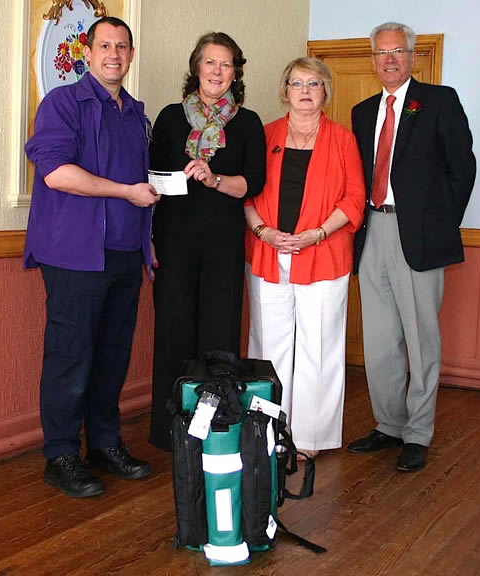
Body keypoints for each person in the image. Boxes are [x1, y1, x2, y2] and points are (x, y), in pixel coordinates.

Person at [24, 17, 159, 498]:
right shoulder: (62, 103)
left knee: (111, 357)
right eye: (105, 46)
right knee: (70, 357)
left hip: (125, 255)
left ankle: (103, 444)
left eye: (122, 47)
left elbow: (146, 187)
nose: (114, 55)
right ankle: (60, 455)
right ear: (87, 52)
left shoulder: (134, 114)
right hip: (75, 256)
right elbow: (57, 173)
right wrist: (126, 192)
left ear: (131, 52)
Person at [348, 22, 476, 471]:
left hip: (419, 235)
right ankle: (389, 425)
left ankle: (418, 432)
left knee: (422, 341)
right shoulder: (363, 113)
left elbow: (463, 168)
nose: (389, 59)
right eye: (381, 52)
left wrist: (440, 224)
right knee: (380, 343)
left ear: (412, 57)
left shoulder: (439, 101)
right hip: (372, 234)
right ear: (373, 59)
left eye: (398, 51)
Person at [149, 32, 266, 451]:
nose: (217, 71)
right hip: (174, 241)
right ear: (196, 67)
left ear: (236, 73)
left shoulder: (248, 123)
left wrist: (213, 178)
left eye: (227, 64)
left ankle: (216, 428)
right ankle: (170, 431)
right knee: (173, 332)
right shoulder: (168, 117)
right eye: (210, 63)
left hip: (222, 245)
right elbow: (152, 178)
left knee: (218, 337)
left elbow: (252, 184)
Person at [245, 58, 366, 458]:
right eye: (296, 82)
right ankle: (266, 434)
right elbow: (245, 193)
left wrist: (316, 233)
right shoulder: (265, 135)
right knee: (269, 347)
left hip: (324, 253)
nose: (305, 90)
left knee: (319, 348)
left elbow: (352, 199)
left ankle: (310, 439)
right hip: (269, 251)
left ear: (325, 91)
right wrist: (264, 231)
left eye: (314, 83)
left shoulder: (342, 139)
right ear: (285, 90)